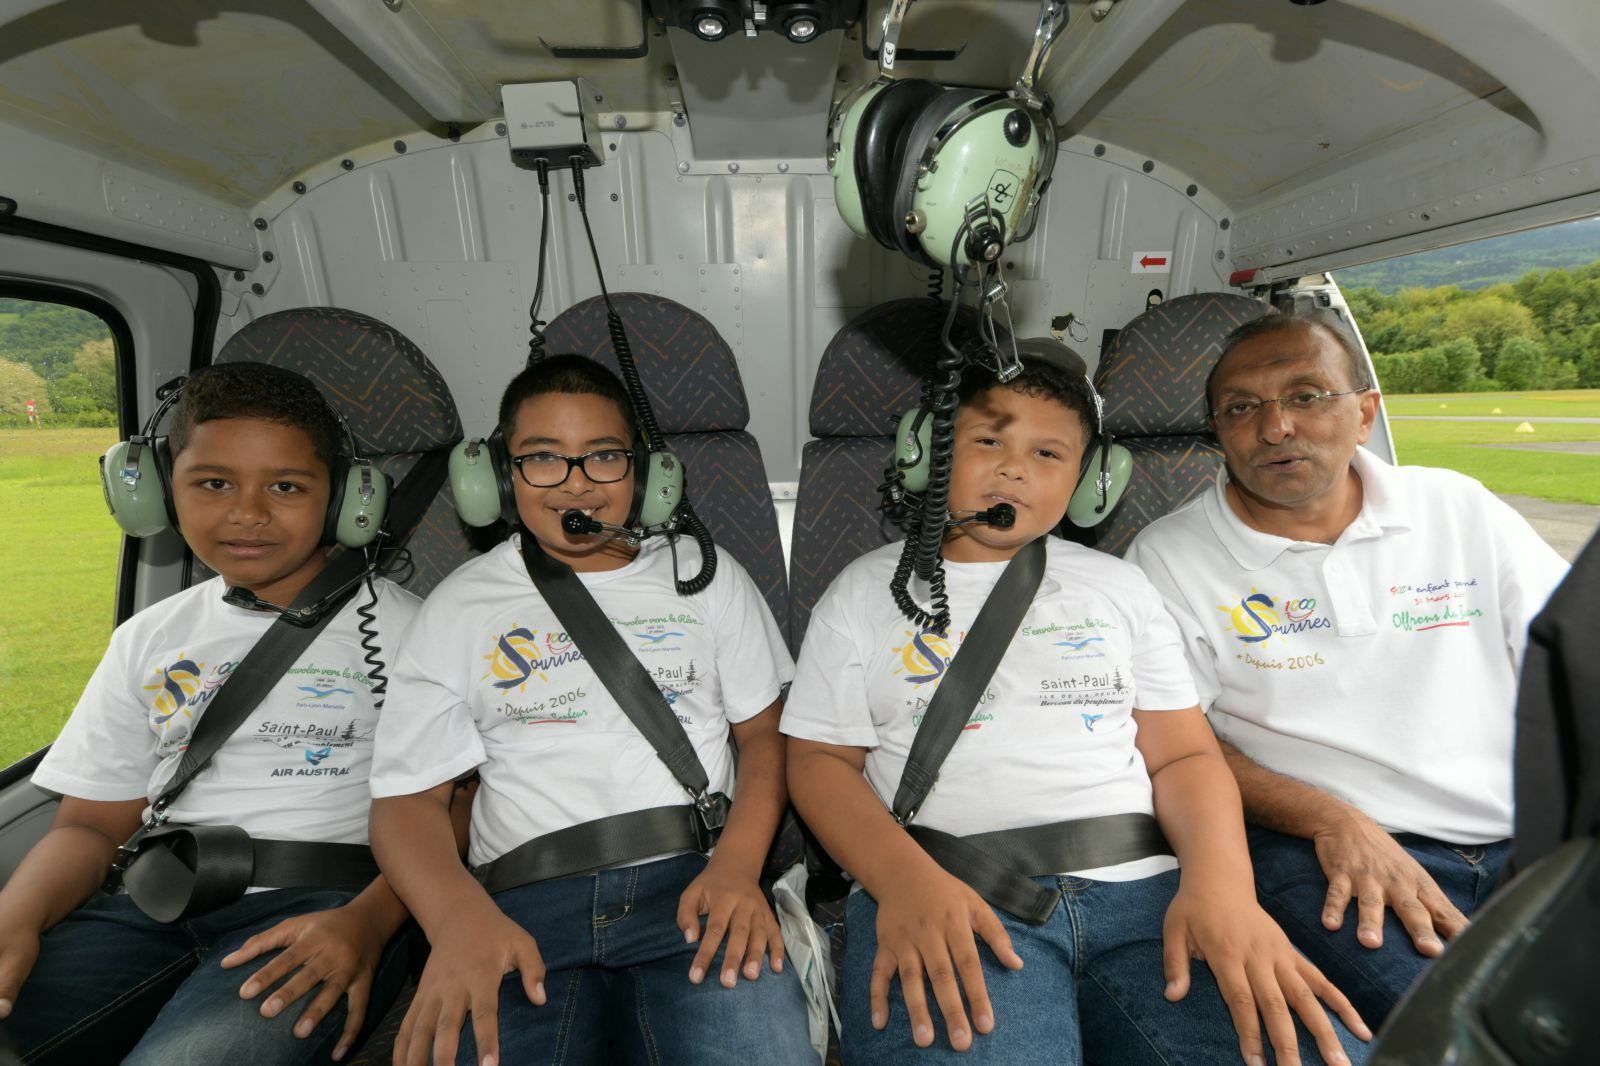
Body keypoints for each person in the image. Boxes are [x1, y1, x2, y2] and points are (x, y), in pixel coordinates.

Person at [783, 344, 1370, 1066]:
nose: (1013, 468)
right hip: (947, 888)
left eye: (1049, 453)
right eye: (988, 440)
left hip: (1149, 894)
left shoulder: (1118, 588)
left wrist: (1225, 890)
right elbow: (816, 761)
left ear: (1090, 482)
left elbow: (1185, 754)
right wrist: (901, 882)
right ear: (928, 453)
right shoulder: (864, 593)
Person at [1124, 312, 1569, 1024]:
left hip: (1529, 834)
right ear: (1217, 433)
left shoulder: (1456, 507)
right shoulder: (1167, 559)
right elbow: (1177, 745)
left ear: (1364, 414)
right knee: (1462, 1026)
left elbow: (1572, 657)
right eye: (1243, 407)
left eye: (1306, 396)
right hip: (1317, 845)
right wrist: (1334, 818)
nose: (1275, 428)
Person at [369, 354, 812, 1066]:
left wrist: (736, 867)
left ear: (644, 470)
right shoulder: (461, 604)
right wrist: (457, 921)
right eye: (542, 458)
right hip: (516, 902)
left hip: (692, 881)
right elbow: (407, 803)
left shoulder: (706, 575)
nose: (576, 483)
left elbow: (762, 741)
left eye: (603, 456)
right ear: (496, 477)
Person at [0, 363, 420, 1064]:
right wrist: (16, 916)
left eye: (285, 487)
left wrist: (368, 925)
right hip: (150, 900)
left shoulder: (409, 631)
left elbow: (459, 810)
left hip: (321, 909)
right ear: (162, 491)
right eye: (214, 483)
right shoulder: (149, 637)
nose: (247, 513)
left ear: (345, 498)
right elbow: (91, 822)